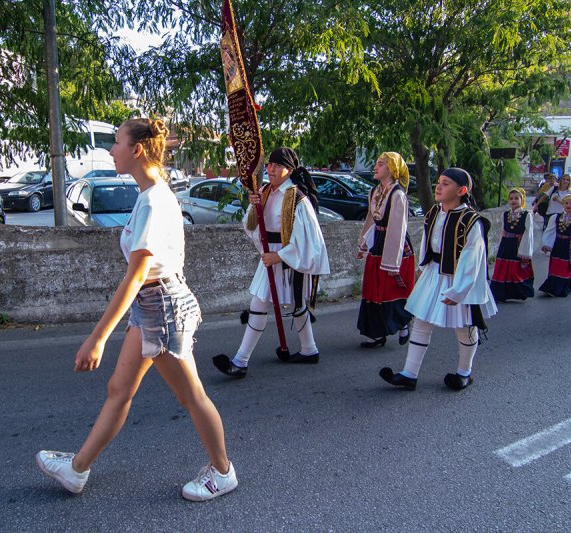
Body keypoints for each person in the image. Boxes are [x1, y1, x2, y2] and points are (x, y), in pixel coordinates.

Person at [35, 118, 238, 501]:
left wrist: (97, 339)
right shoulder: (148, 197)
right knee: (119, 389)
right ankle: (77, 469)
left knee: (191, 395)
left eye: (116, 143)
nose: (111, 150)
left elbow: (134, 277)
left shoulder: (155, 201)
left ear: (137, 149)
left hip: (161, 305)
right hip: (152, 303)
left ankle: (223, 471)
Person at [212, 147, 330, 378]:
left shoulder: (298, 198)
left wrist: (280, 256)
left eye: (277, 165)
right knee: (260, 304)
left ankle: (305, 350)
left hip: (287, 257)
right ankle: (243, 360)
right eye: (270, 165)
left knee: (296, 306)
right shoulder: (265, 192)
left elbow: (308, 238)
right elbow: (251, 226)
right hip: (270, 256)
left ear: (289, 169)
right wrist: (254, 205)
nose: (271, 169)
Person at [380, 168, 497, 391]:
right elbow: (427, 241)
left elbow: (473, 257)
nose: (439, 186)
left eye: (446, 183)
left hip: (458, 278)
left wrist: (459, 291)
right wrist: (423, 268)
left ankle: (464, 372)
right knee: (421, 321)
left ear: (461, 190)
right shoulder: (434, 211)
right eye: (439, 182)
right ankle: (409, 374)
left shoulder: (471, 220)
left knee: (464, 326)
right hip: (434, 272)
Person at [355, 152, 415, 348]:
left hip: (394, 245)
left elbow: (398, 229)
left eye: (380, 164)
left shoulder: (397, 195)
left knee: (389, 289)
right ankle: (376, 334)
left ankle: (403, 322)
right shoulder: (374, 192)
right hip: (378, 242)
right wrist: (363, 243)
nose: (376, 167)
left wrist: (391, 261)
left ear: (391, 169)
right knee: (373, 288)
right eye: (377, 163)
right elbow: (371, 219)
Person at [538, 194, 571, 297]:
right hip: (558, 244)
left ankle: (565, 286)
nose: (568, 205)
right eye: (566, 203)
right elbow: (550, 231)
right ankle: (552, 286)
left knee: (567, 266)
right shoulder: (556, 217)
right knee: (556, 265)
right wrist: (547, 244)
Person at [489, 187, 535, 302]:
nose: (513, 201)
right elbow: (503, 231)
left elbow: (528, 233)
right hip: (506, 244)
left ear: (522, 200)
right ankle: (499, 293)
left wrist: (525, 252)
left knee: (515, 270)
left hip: (517, 245)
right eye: (511, 199)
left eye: (516, 198)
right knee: (502, 269)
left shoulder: (526, 215)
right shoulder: (505, 214)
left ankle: (519, 292)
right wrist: (501, 245)